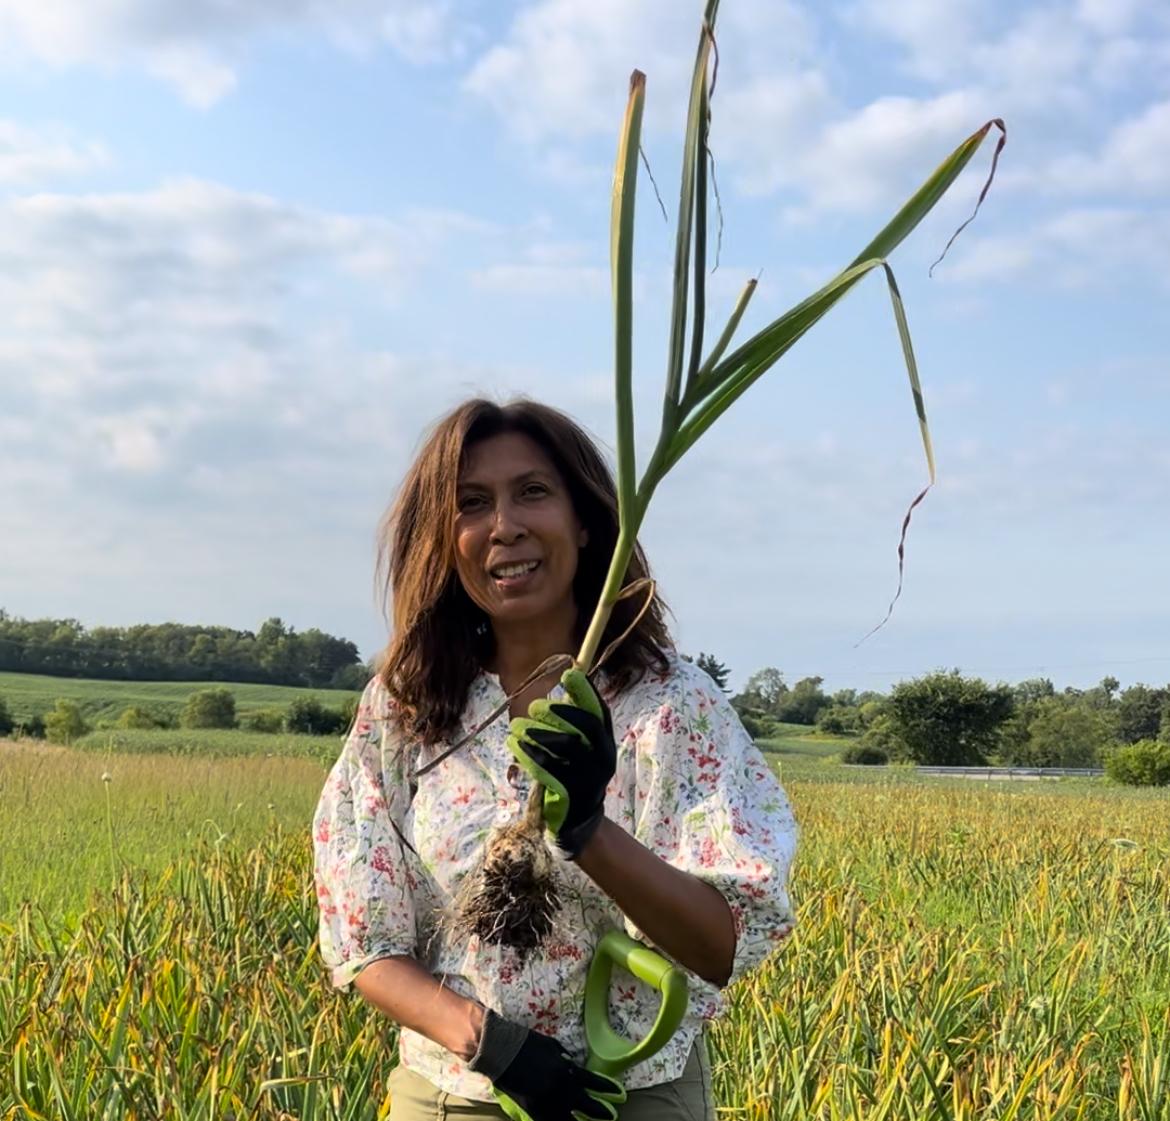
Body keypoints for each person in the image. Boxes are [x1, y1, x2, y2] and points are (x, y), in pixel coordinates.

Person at [312, 398, 798, 1120]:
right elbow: (364, 941)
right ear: (443, 541)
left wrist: (589, 833)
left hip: (633, 1093)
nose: (504, 524)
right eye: (471, 503)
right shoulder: (404, 707)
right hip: (456, 1094)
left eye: (533, 491)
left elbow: (721, 943)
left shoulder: (669, 705)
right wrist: (491, 1043)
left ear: (586, 519)